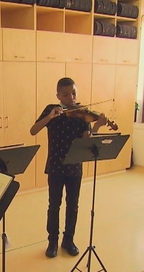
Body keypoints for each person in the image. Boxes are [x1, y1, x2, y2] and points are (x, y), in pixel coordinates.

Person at [30, 77, 112, 258]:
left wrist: (97, 126)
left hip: (75, 167)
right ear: (58, 95)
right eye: (66, 95)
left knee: (73, 205)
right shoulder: (52, 110)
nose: (71, 98)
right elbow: (33, 130)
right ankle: (52, 241)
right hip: (55, 166)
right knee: (54, 205)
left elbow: (86, 140)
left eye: (73, 93)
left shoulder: (82, 114)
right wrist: (50, 116)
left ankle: (69, 240)